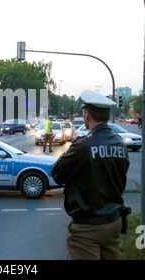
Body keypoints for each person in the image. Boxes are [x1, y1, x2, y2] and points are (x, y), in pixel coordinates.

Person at [51, 90, 130, 260]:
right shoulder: (120, 144)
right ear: (108, 116)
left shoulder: (83, 145)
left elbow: (57, 174)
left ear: (87, 114)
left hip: (88, 227)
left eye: (84, 111)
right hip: (113, 221)